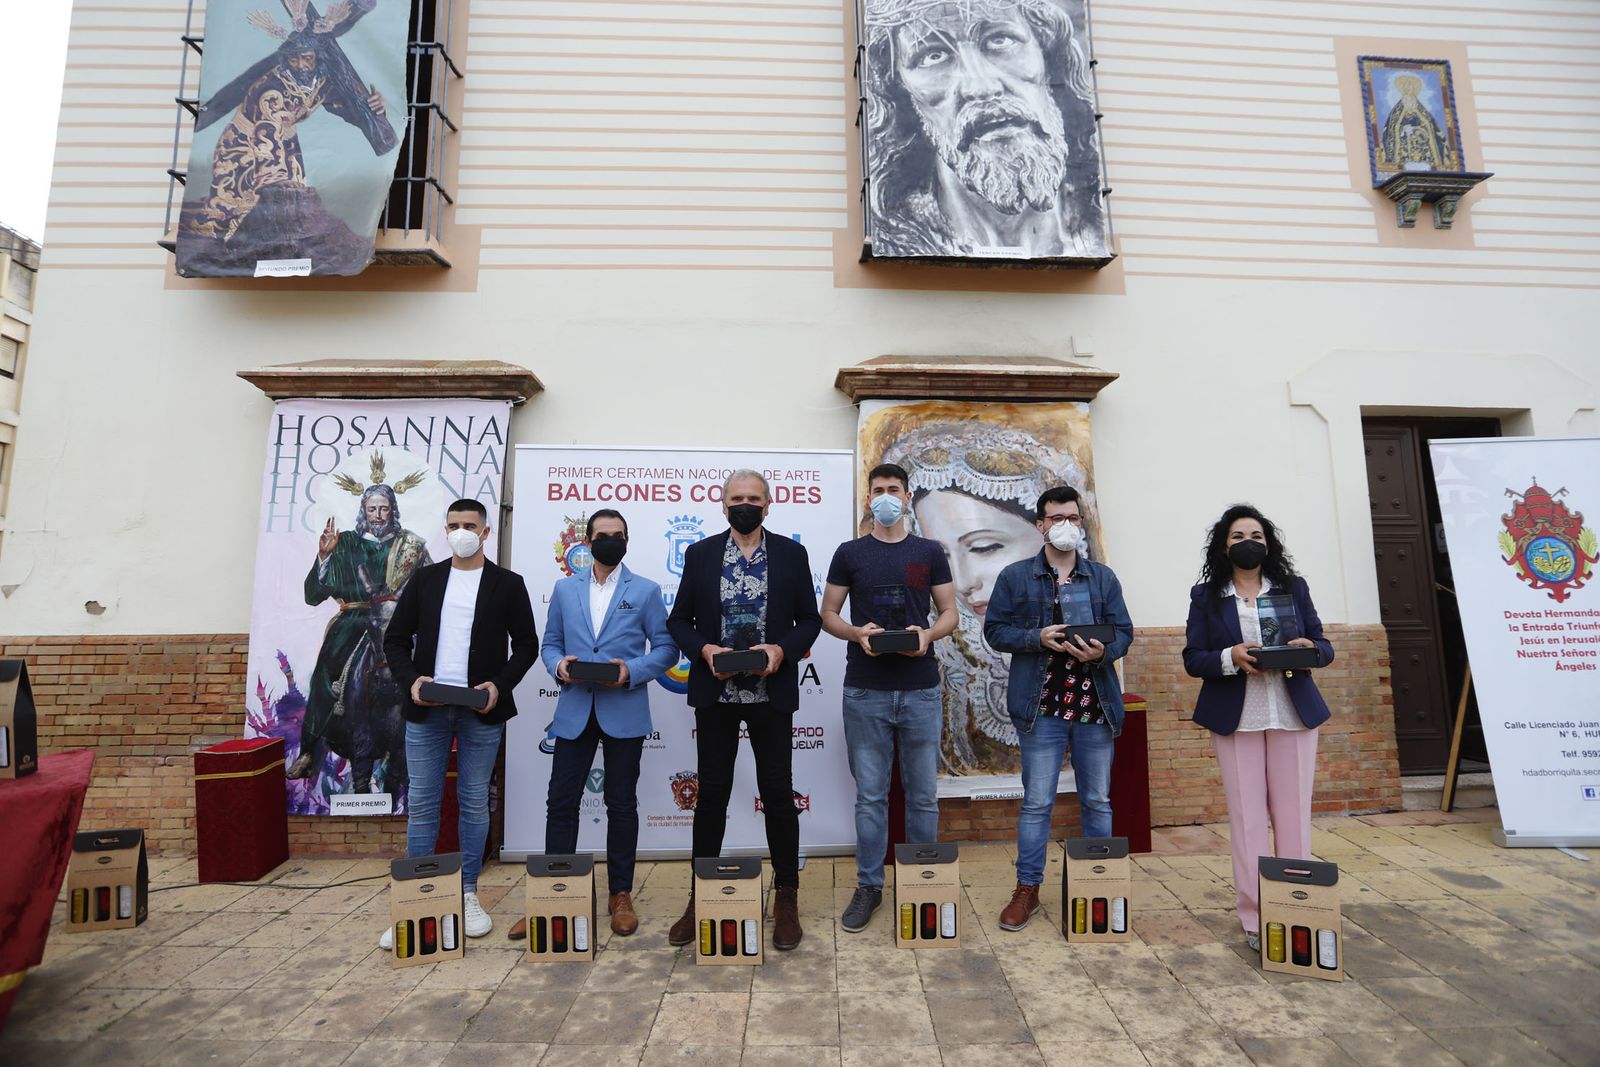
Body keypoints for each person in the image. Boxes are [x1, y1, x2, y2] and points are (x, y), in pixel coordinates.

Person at [881, 420, 1100, 777]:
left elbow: (1121, 632)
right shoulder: (950, 661)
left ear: (1044, 530)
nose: (964, 581)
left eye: (984, 547)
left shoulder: (1096, 582)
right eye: (943, 557)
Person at [665, 470, 822, 950]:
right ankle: (701, 895)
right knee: (712, 794)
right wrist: (705, 651)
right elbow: (679, 621)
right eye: (737, 498)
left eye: (754, 498)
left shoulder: (792, 554)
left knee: (777, 793)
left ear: (769, 504)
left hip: (770, 694)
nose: (745, 505)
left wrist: (782, 651)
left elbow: (810, 619)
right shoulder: (701, 553)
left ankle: (787, 897)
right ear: (722, 502)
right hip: (717, 695)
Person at [507, 509, 677, 940]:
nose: (610, 541)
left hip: (625, 709)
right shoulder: (565, 589)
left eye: (618, 535)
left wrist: (631, 671)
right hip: (575, 709)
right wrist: (560, 666)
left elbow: (666, 649)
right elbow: (550, 646)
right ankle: (553, 895)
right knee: (560, 803)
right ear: (588, 540)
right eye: (603, 535)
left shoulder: (646, 590)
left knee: (622, 804)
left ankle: (621, 894)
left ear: (627, 540)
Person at [379, 498, 539, 947]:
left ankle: (468, 893)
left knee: (472, 800)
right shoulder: (425, 580)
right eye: (453, 525)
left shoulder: (508, 584)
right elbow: (395, 639)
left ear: (485, 532)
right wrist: (411, 680)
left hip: (479, 711)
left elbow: (527, 645)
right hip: (427, 708)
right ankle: (417, 900)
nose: (461, 531)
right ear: (444, 531)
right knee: (424, 802)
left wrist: (498, 686)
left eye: (470, 525)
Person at [1182, 504, 1332, 952]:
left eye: (1256, 534)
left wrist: (1309, 648)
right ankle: (1254, 916)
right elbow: (1194, 658)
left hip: (1293, 715)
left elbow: (1324, 646)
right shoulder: (1206, 596)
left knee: (1293, 819)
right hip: (1237, 718)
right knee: (1248, 820)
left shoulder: (1293, 587)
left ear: (1268, 544)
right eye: (1237, 535)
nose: (1248, 541)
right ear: (1224, 546)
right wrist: (1231, 657)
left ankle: (1297, 907)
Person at [983, 486, 1133, 931]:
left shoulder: (1103, 578)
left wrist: (1101, 653)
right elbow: (995, 631)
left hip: (1095, 705)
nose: (1064, 525)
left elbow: (1123, 632)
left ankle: (1097, 885)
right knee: (1036, 803)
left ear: (1080, 524)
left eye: (1072, 517)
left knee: (1098, 801)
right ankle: (1026, 889)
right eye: (1055, 518)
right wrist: (1037, 638)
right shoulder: (1014, 576)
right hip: (1041, 705)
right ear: (1040, 525)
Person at [820, 462, 958, 932]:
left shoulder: (929, 551)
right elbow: (829, 614)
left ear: (906, 496)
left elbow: (949, 613)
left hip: (920, 688)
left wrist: (928, 634)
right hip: (866, 689)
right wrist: (857, 632)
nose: (885, 497)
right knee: (871, 798)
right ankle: (869, 888)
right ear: (868, 499)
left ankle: (923, 883)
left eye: (893, 490)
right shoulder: (849, 553)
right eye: (877, 490)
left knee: (922, 797)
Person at [861, 0, 1107, 259]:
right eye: (933, 56)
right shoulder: (893, 239)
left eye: (1000, 40)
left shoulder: (1096, 225)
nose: (981, 87)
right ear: (900, 90)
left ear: (1046, 55)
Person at [288, 453, 430, 801]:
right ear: (363, 511)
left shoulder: (409, 545)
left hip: (399, 619)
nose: (378, 516)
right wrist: (324, 557)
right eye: (372, 509)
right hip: (354, 619)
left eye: (384, 509)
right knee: (324, 672)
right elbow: (314, 595)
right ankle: (310, 747)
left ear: (392, 510)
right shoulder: (347, 542)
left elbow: (431, 584)